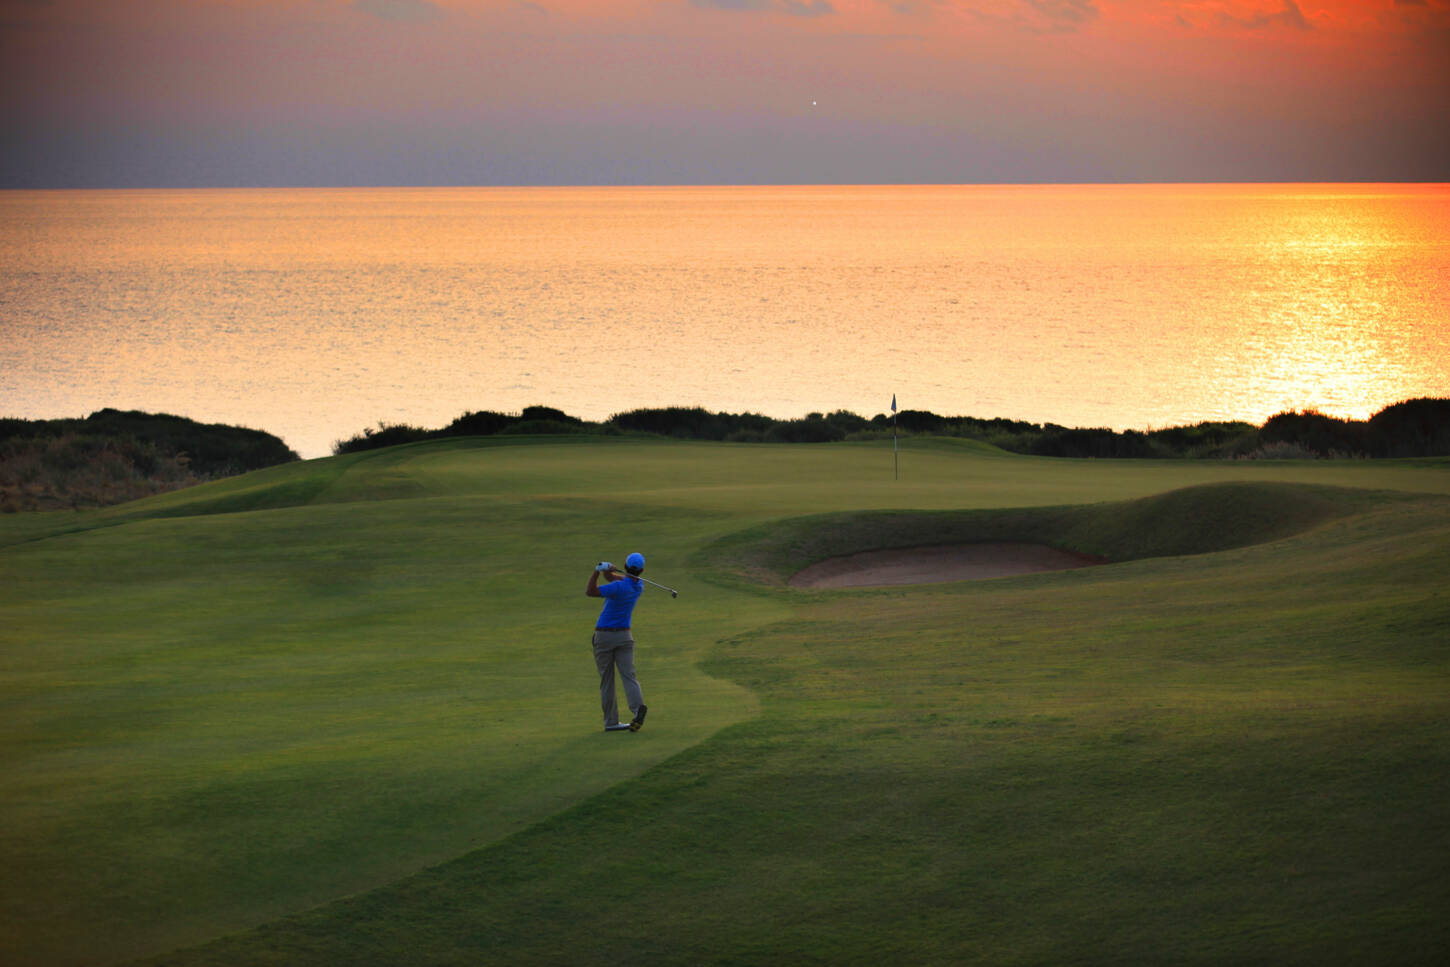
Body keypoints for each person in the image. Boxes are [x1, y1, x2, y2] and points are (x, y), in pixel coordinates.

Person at [585, 552, 649, 733]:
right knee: (629, 676)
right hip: (625, 637)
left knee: (607, 681)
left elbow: (590, 591)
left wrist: (597, 572)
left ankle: (611, 722)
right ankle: (637, 710)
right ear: (642, 570)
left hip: (604, 636)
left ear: (626, 565)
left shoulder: (618, 587)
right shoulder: (639, 586)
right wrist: (609, 571)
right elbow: (617, 579)